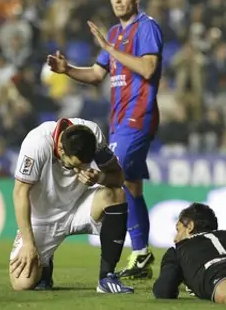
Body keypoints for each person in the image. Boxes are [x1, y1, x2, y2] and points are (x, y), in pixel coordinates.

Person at [46, 0, 163, 280]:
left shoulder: (146, 27)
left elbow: (149, 69)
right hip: (119, 119)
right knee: (132, 185)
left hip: (138, 115)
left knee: (117, 178)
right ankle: (140, 255)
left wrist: (110, 50)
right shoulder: (113, 33)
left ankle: (135, 253)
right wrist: (67, 69)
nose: (118, 0)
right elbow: (98, 75)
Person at [9, 118, 133, 293]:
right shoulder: (36, 143)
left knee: (116, 194)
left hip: (79, 206)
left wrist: (99, 178)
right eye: (73, 164)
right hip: (43, 219)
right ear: (60, 149)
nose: (78, 169)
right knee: (22, 284)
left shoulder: (93, 135)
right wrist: (29, 244)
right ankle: (45, 265)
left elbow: (119, 178)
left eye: (84, 164)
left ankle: (107, 278)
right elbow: (20, 193)